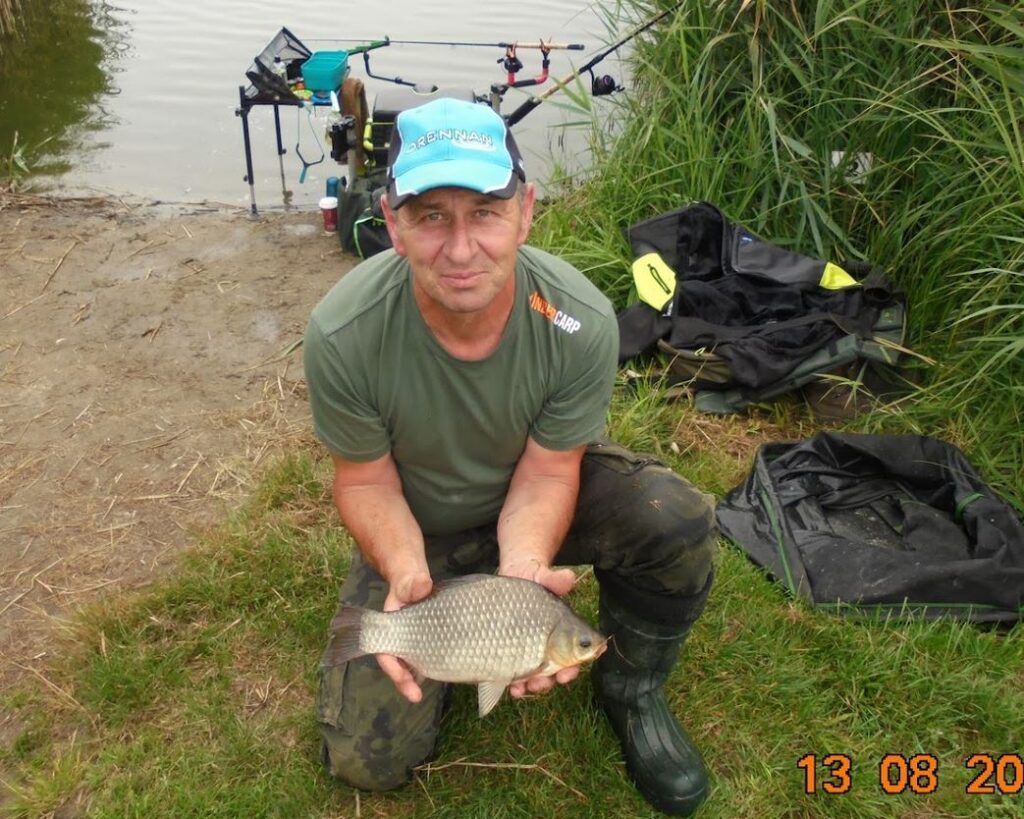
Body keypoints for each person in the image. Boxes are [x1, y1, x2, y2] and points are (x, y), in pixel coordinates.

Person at [303, 96, 717, 817]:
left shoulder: (578, 320)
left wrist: (523, 569)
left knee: (671, 516)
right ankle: (438, 639)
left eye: (486, 213)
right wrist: (405, 571)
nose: (461, 249)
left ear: (526, 213)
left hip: (532, 493)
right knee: (368, 761)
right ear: (394, 224)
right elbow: (364, 482)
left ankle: (632, 688)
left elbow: (550, 468)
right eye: (432, 216)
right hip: (421, 522)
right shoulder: (343, 333)